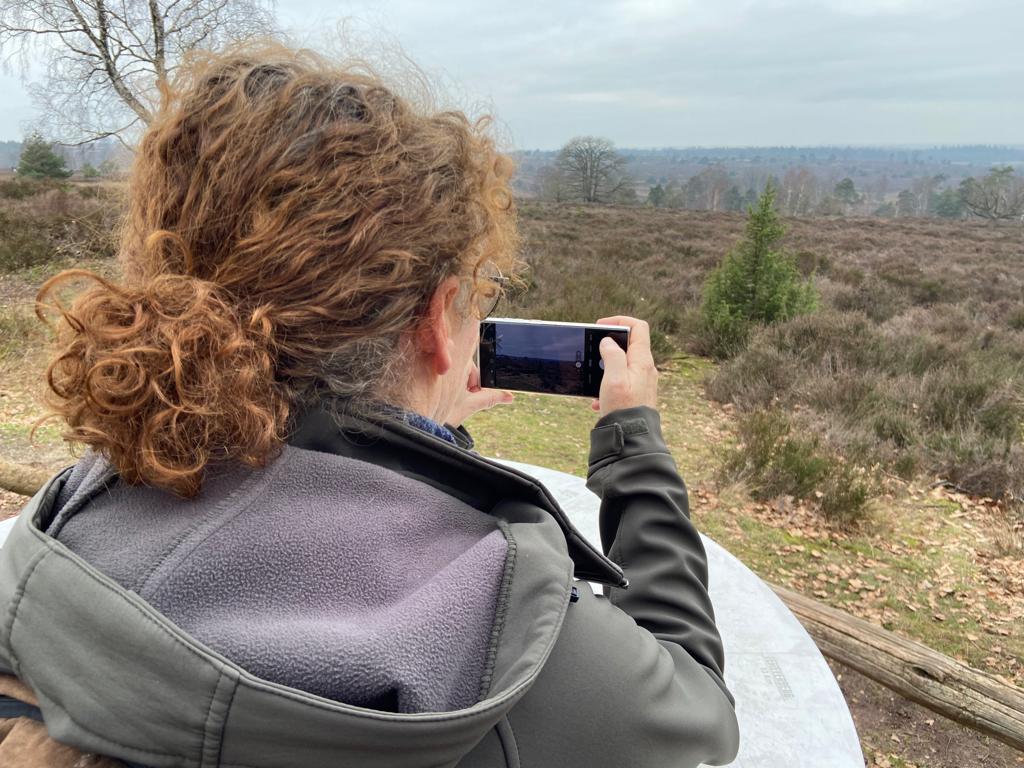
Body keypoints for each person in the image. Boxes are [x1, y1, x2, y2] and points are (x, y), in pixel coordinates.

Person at [0, 41, 739, 768]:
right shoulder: (518, 638)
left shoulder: (72, 513)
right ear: (436, 321)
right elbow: (696, 710)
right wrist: (632, 438)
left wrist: (414, 436)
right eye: (476, 297)